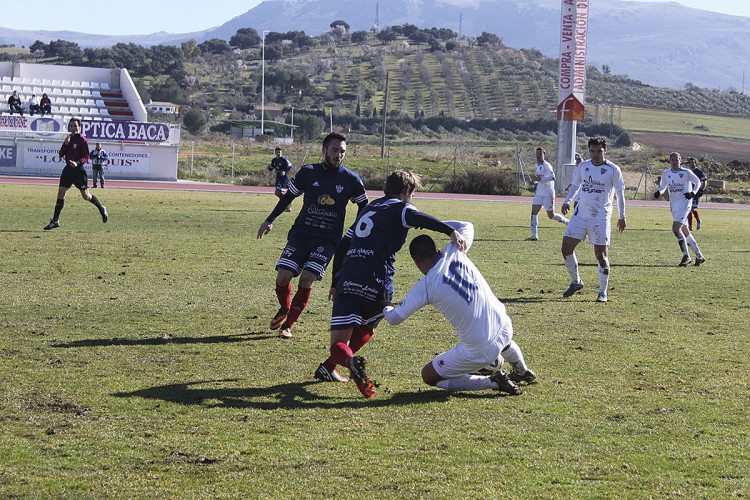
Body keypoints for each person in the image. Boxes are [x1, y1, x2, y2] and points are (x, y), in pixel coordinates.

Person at [314, 169, 468, 398]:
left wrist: (336, 281)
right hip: (377, 278)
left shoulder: (368, 208)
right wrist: (450, 231)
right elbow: (419, 219)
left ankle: (335, 364)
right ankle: (342, 363)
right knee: (369, 326)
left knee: (338, 343)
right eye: (412, 194)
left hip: (348, 275)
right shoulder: (402, 207)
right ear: (406, 191)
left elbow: (343, 245)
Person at [383, 221, 536, 397]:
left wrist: (385, 304)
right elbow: (467, 225)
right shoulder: (454, 250)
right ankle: (522, 371)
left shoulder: (426, 285)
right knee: (500, 338)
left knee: (428, 375)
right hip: (504, 325)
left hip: (480, 349)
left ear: (418, 264)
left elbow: (394, 318)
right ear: (437, 249)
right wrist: (439, 227)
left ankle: (492, 382)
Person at [257, 132, 368, 339]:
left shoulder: (351, 179)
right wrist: (270, 219)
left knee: (307, 279)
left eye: (342, 151)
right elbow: (287, 198)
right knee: (283, 277)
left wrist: (354, 233)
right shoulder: (308, 172)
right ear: (324, 150)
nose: (339, 155)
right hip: (301, 234)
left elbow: (365, 207)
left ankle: (288, 326)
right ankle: (284, 308)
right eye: (335, 150)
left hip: (327, 240)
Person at [560, 136, 626, 303]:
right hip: (581, 214)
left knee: (600, 255)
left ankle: (603, 292)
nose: (595, 155)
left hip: (600, 217)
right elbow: (575, 185)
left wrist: (622, 216)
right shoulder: (583, 166)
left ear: (605, 150)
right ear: (588, 151)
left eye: (599, 151)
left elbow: (620, 194)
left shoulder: (613, 169)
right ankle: (576, 282)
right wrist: (567, 200)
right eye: (592, 151)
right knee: (566, 248)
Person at [43, 118, 108, 230]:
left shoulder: (82, 140)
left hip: (78, 171)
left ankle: (101, 208)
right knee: (61, 193)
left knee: (86, 196)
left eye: (75, 126)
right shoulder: (68, 139)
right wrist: (65, 144)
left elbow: (86, 157)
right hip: (68, 170)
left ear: (79, 127)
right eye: (72, 126)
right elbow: (61, 154)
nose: (73, 128)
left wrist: (77, 163)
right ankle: (55, 220)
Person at [654, 152, 706, 267]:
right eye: (672, 159)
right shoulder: (666, 173)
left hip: (685, 204)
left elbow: (698, 182)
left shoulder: (686, 172)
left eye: (676, 159)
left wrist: (692, 193)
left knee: (676, 229)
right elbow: (663, 186)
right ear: (669, 161)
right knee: (685, 231)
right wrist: (659, 192)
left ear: (680, 161)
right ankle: (699, 256)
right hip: (674, 205)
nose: (674, 161)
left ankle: (686, 256)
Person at [526, 147, 568, 241]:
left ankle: (567, 222)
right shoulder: (536, 165)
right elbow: (540, 178)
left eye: (540, 154)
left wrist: (540, 179)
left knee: (551, 216)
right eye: (537, 153)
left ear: (544, 154)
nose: (538, 155)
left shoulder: (547, 165)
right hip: (539, 193)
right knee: (534, 212)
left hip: (548, 193)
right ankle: (534, 235)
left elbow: (553, 177)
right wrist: (535, 182)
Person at [685, 157, 707, 230]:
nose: (692, 164)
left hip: (696, 192)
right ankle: (690, 226)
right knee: (688, 209)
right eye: (690, 162)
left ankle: (698, 221)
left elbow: (704, 181)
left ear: (695, 163)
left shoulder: (699, 171)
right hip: (688, 192)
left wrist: (702, 190)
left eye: (693, 162)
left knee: (692, 209)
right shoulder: (687, 171)